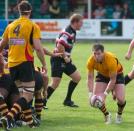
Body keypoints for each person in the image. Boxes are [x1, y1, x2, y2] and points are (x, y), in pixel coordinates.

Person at [0, 1, 47, 129]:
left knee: (23, 96)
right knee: (28, 95)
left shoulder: (11, 25)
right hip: (25, 63)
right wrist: (44, 64)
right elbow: (38, 48)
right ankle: (8, 117)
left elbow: (2, 45)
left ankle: (31, 124)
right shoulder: (32, 26)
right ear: (30, 11)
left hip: (12, 65)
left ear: (19, 11)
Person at [44, 14, 83, 108]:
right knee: (55, 82)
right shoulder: (68, 32)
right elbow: (59, 45)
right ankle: (42, 102)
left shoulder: (72, 31)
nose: (81, 25)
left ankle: (67, 100)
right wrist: (65, 57)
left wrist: (66, 57)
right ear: (75, 22)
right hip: (58, 59)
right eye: (81, 23)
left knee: (77, 77)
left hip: (64, 59)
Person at [87, 44, 126, 124]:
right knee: (96, 100)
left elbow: (112, 80)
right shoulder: (90, 61)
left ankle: (119, 115)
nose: (96, 56)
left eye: (98, 54)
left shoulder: (110, 59)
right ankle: (107, 115)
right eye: (94, 53)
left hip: (117, 74)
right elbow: (90, 78)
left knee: (121, 99)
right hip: (102, 75)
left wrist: (105, 94)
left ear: (103, 53)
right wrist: (90, 94)